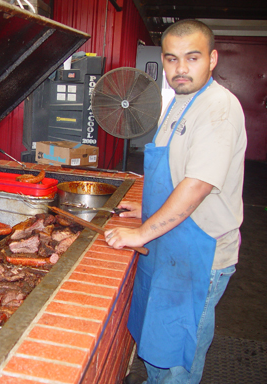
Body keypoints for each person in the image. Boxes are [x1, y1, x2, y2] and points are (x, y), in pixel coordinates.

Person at [104, 19, 247, 384]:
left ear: (213, 59)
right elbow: (176, 173)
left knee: (177, 360)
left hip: (199, 255)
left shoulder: (218, 108)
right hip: (171, 246)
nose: (181, 69)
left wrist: (141, 233)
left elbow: (197, 184)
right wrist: (146, 209)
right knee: (157, 345)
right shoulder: (178, 103)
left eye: (193, 57)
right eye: (171, 59)